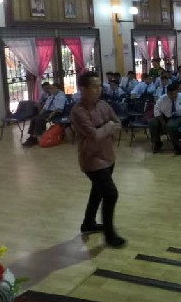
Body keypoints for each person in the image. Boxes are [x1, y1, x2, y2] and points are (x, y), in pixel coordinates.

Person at [69, 71, 125, 248]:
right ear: (83, 89)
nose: (98, 89)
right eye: (94, 86)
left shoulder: (103, 105)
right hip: (92, 159)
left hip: (108, 155)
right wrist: (108, 127)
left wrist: (105, 128)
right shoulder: (78, 111)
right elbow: (94, 135)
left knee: (98, 190)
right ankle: (109, 234)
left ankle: (88, 223)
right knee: (111, 193)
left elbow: (118, 123)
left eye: (99, 85)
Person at [23, 83, 67, 147]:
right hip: (49, 111)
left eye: (54, 88)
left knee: (40, 120)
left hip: (57, 112)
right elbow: (45, 107)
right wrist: (39, 114)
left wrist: (49, 117)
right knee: (34, 118)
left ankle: (36, 138)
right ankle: (31, 137)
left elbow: (57, 109)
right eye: (51, 88)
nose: (51, 90)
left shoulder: (61, 96)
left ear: (58, 89)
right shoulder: (51, 96)